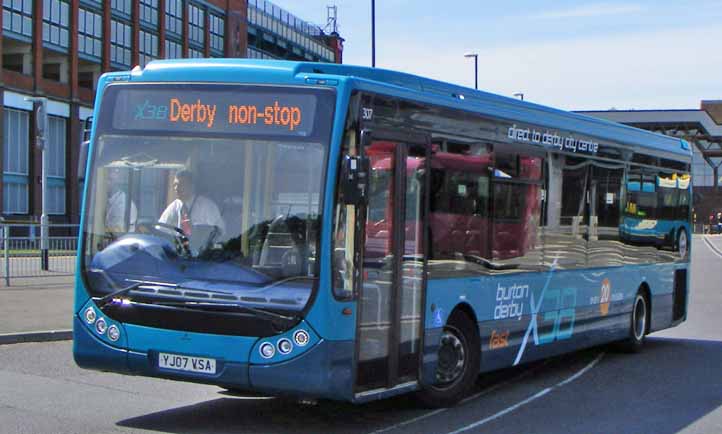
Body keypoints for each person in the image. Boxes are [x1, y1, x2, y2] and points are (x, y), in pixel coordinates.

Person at [159, 169, 226, 237]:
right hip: (180, 246)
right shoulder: (173, 207)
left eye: (181, 184)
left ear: (191, 186)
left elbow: (219, 231)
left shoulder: (207, 206)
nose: (176, 188)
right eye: (175, 185)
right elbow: (160, 229)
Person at [104, 168, 137, 233]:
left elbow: (116, 231)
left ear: (117, 182)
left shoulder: (123, 204)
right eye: (106, 179)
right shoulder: (108, 200)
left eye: (110, 180)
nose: (107, 183)